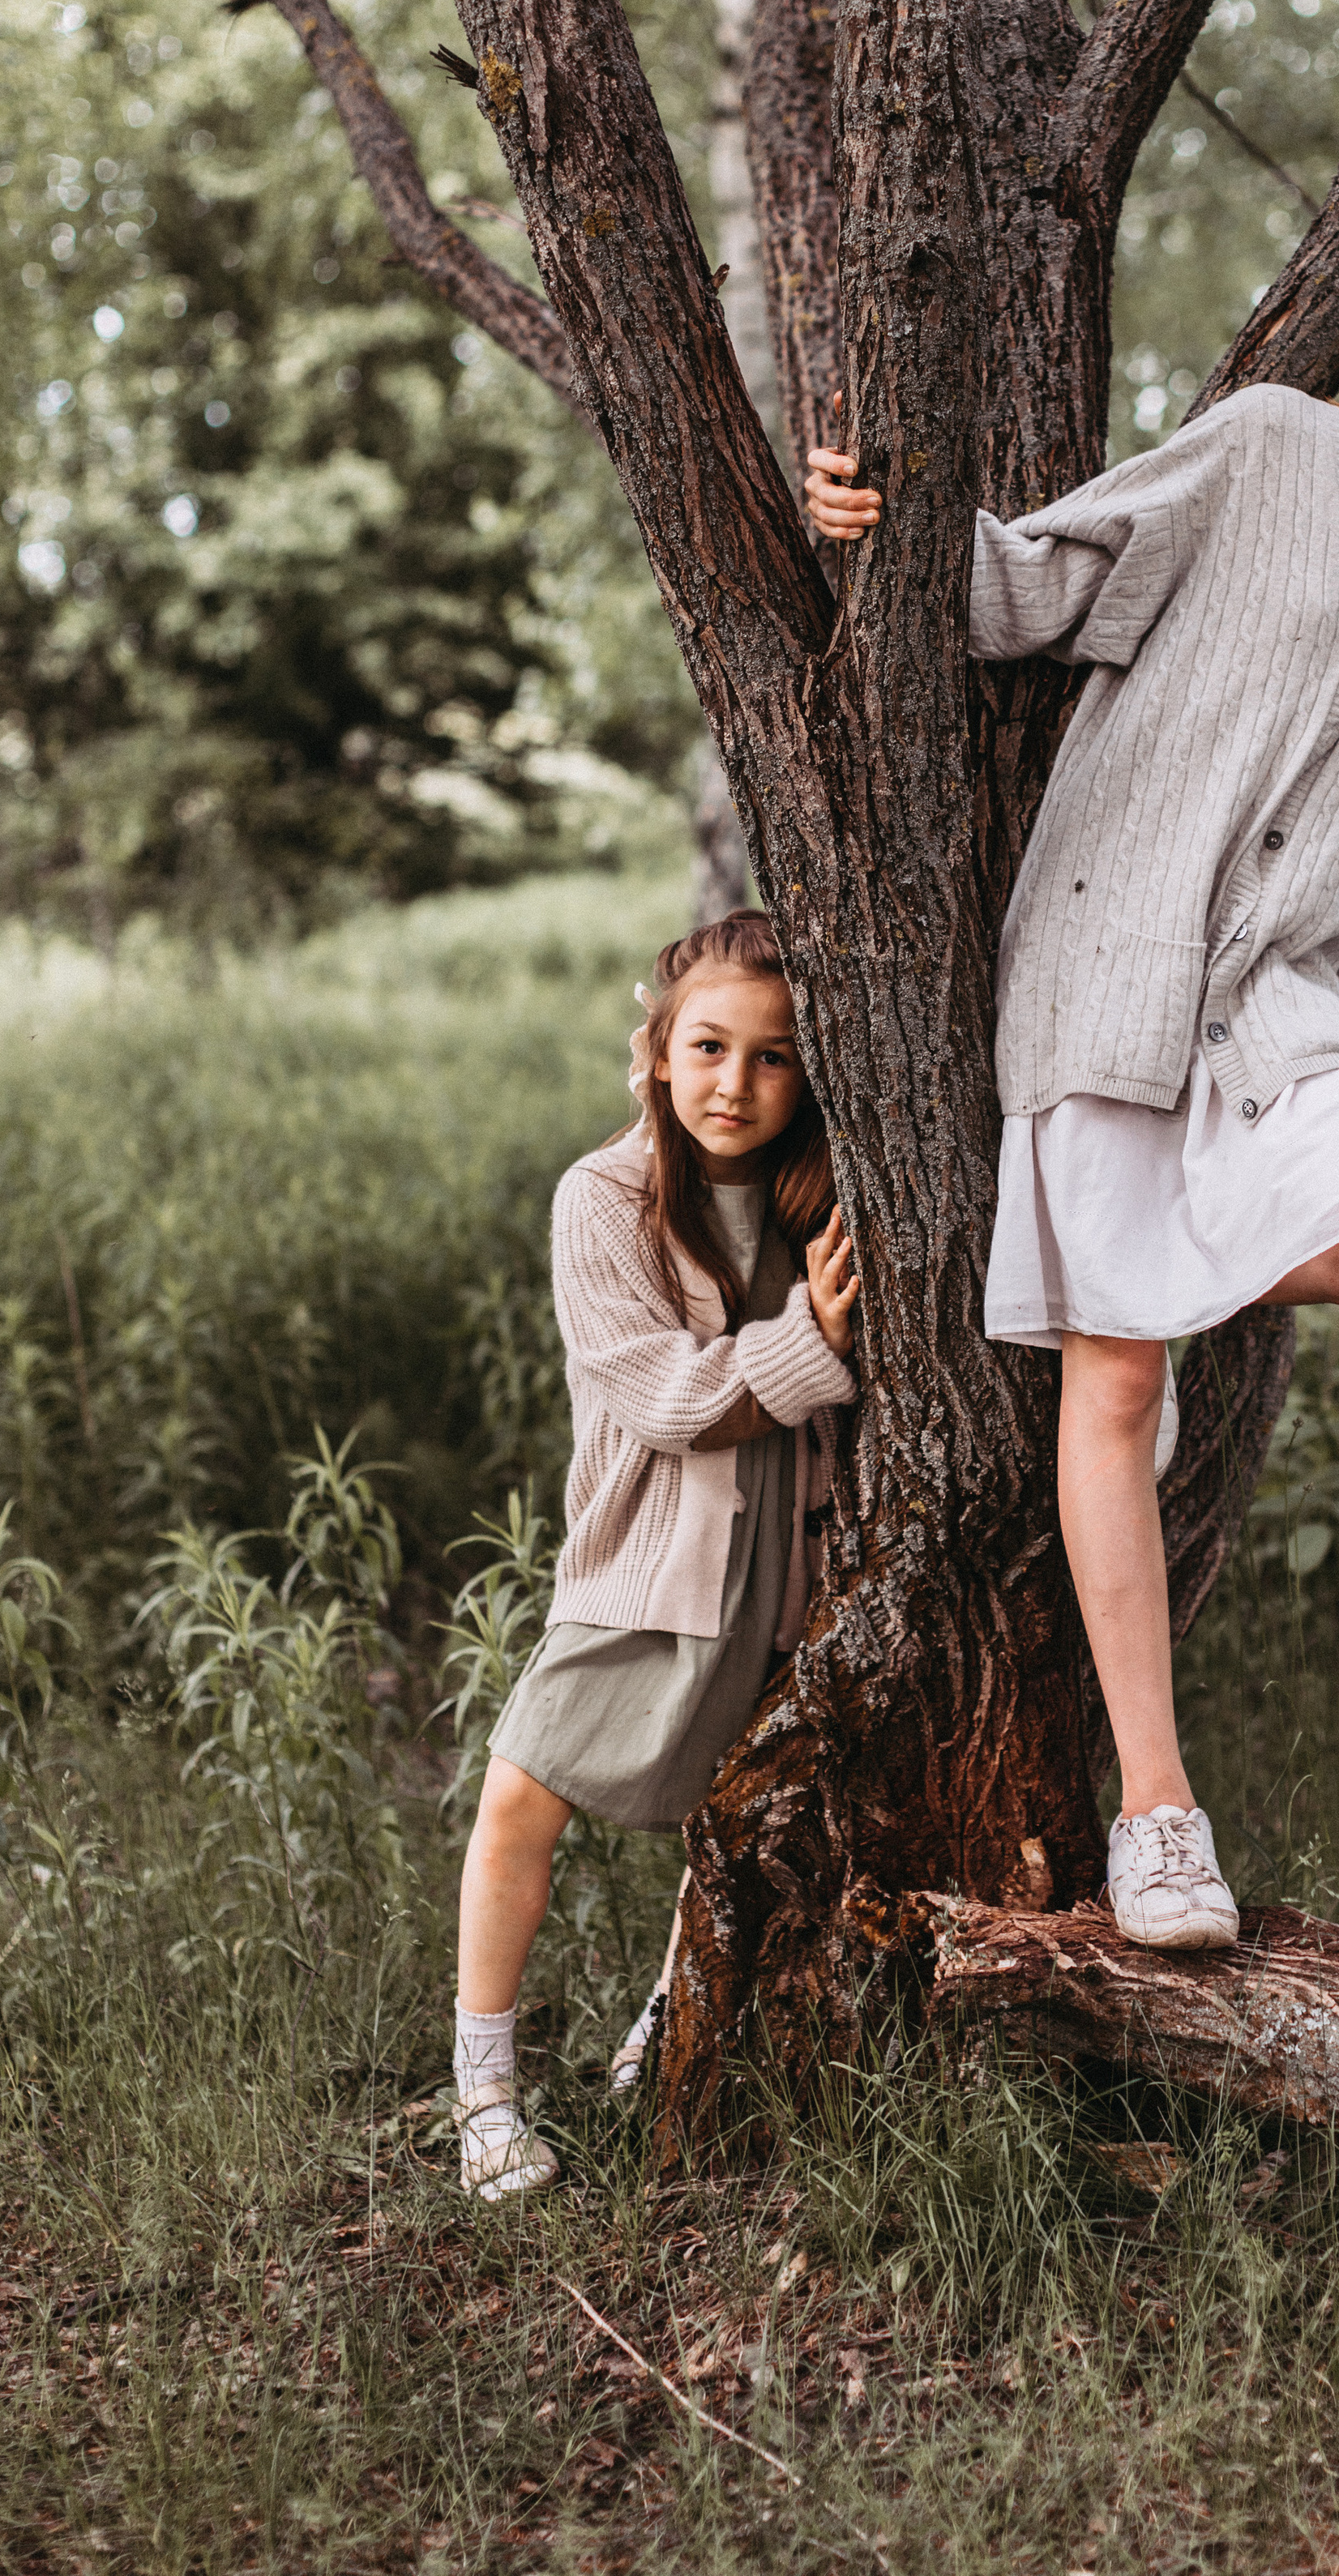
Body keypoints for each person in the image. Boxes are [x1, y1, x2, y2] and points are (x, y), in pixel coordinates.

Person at [805, 238, 1339, 1953]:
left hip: (1280, 1019)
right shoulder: (1274, 446)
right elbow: (1031, 589)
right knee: (1114, 1391)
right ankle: (1155, 1814)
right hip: (1112, 975)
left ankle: (1137, 1267)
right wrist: (869, 523)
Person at [451, 910, 859, 2195]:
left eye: (773, 1057)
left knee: (743, 1820)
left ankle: (659, 2031)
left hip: (800, 1578)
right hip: (648, 1564)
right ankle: (483, 2095)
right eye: (708, 1047)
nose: (734, 1085)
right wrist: (815, 1342)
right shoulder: (604, 1197)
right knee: (522, 1792)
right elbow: (667, 1399)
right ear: (658, 1048)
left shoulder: (831, 1199)